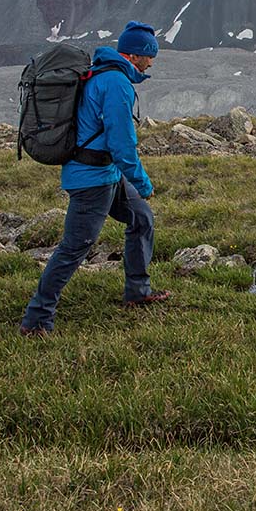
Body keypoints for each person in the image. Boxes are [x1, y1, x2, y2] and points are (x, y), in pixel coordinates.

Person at [20, 21, 170, 336]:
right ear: (135, 56)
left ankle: (138, 292)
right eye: (149, 56)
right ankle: (37, 319)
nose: (152, 62)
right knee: (75, 247)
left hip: (105, 174)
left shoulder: (105, 74)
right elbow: (121, 144)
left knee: (141, 219)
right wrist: (142, 183)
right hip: (92, 179)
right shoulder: (116, 83)